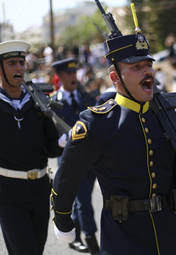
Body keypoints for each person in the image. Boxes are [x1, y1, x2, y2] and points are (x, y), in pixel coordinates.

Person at [51, 30, 176, 254]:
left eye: (148, 65)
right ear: (115, 78)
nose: (147, 72)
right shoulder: (97, 124)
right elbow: (66, 179)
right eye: (136, 67)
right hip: (123, 238)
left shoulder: (167, 116)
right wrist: (64, 222)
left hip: (168, 233)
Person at [0, 40, 66, 255]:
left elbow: (50, 149)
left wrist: (63, 142)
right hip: (8, 193)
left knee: (36, 250)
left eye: (22, 62)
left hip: (39, 190)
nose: (19, 67)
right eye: (11, 63)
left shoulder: (38, 102)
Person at [50, 58, 99, 254]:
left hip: (92, 160)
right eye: (68, 74)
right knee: (84, 201)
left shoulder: (85, 98)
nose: (73, 77)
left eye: (74, 73)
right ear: (59, 77)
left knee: (82, 200)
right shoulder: (54, 102)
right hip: (71, 161)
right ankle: (92, 240)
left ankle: (75, 236)